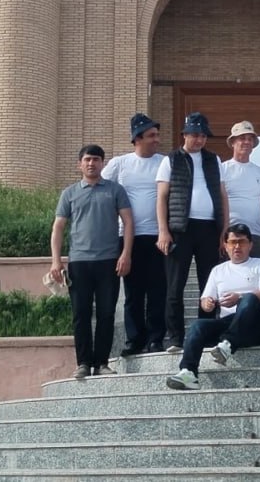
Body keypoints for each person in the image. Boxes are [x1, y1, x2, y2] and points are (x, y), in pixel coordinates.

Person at [49, 144, 133, 379]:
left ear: (102, 163)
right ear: (80, 164)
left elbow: (128, 222)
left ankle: (102, 363)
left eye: (96, 159)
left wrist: (126, 253)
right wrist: (56, 261)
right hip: (79, 262)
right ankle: (83, 363)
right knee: (81, 314)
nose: (91, 163)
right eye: (87, 159)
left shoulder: (115, 190)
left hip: (109, 261)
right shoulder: (69, 193)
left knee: (107, 313)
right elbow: (58, 227)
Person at [166, 222, 260, 390]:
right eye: (233, 242)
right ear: (225, 246)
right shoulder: (218, 270)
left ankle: (228, 344)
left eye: (242, 242)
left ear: (250, 245)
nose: (237, 246)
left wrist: (239, 298)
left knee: (249, 299)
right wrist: (208, 304)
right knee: (198, 325)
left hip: (255, 326)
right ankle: (188, 372)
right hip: (228, 324)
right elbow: (206, 300)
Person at [156, 112, 229, 352]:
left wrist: (224, 230)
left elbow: (222, 196)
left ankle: (205, 335)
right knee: (175, 286)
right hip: (180, 229)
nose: (199, 139)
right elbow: (161, 197)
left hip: (209, 228)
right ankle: (175, 337)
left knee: (209, 285)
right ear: (185, 135)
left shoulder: (213, 160)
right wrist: (163, 231)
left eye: (203, 135)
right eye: (195, 134)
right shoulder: (171, 160)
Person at [101, 113, 168, 354]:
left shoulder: (164, 162)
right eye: (152, 135)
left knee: (158, 289)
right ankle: (134, 339)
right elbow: (102, 189)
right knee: (133, 292)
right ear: (137, 138)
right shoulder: (120, 164)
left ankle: (156, 338)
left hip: (158, 236)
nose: (157, 139)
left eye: (157, 135)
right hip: (128, 237)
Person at [220, 120, 260, 258]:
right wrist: (221, 234)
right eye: (242, 138)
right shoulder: (222, 169)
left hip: (257, 235)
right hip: (230, 235)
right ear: (233, 142)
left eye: (250, 139)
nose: (246, 142)